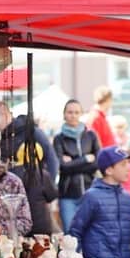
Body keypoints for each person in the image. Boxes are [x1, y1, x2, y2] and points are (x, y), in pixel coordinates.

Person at [53, 98, 101, 231]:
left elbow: (98, 163)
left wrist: (72, 163)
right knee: (70, 234)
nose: (73, 115)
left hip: (90, 192)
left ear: (81, 114)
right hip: (67, 195)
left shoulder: (91, 136)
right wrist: (85, 159)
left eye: (76, 112)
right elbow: (62, 166)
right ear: (64, 114)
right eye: (70, 112)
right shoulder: (59, 139)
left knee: (91, 232)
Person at [0, 100, 59, 181]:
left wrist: (47, 185)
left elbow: (52, 160)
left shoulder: (31, 132)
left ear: (5, 115)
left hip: (32, 185)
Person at [10, 143, 59, 236]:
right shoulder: (42, 174)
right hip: (40, 225)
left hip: (18, 225)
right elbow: (51, 196)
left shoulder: (11, 174)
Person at [109, 115, 130, 201]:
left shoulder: (128, 138)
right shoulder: (111, 139)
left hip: (129, 169)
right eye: (117, 127)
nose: (120, 130)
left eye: (122, 127)